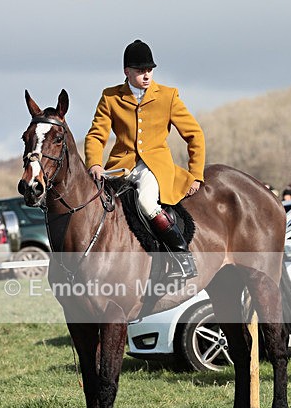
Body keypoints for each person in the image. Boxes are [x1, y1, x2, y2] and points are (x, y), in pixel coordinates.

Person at [85, 39, 205, 278]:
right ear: (127, 72)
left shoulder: (168, 96)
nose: (147, 75)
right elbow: (96, 135)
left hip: (155, 167)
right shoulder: (110, 97)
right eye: (140, 71)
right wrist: (95, 163)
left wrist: (196, 174)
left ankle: (182, 258)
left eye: (149, 70)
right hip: (120, 167)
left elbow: (195, 135)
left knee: (147, 203)